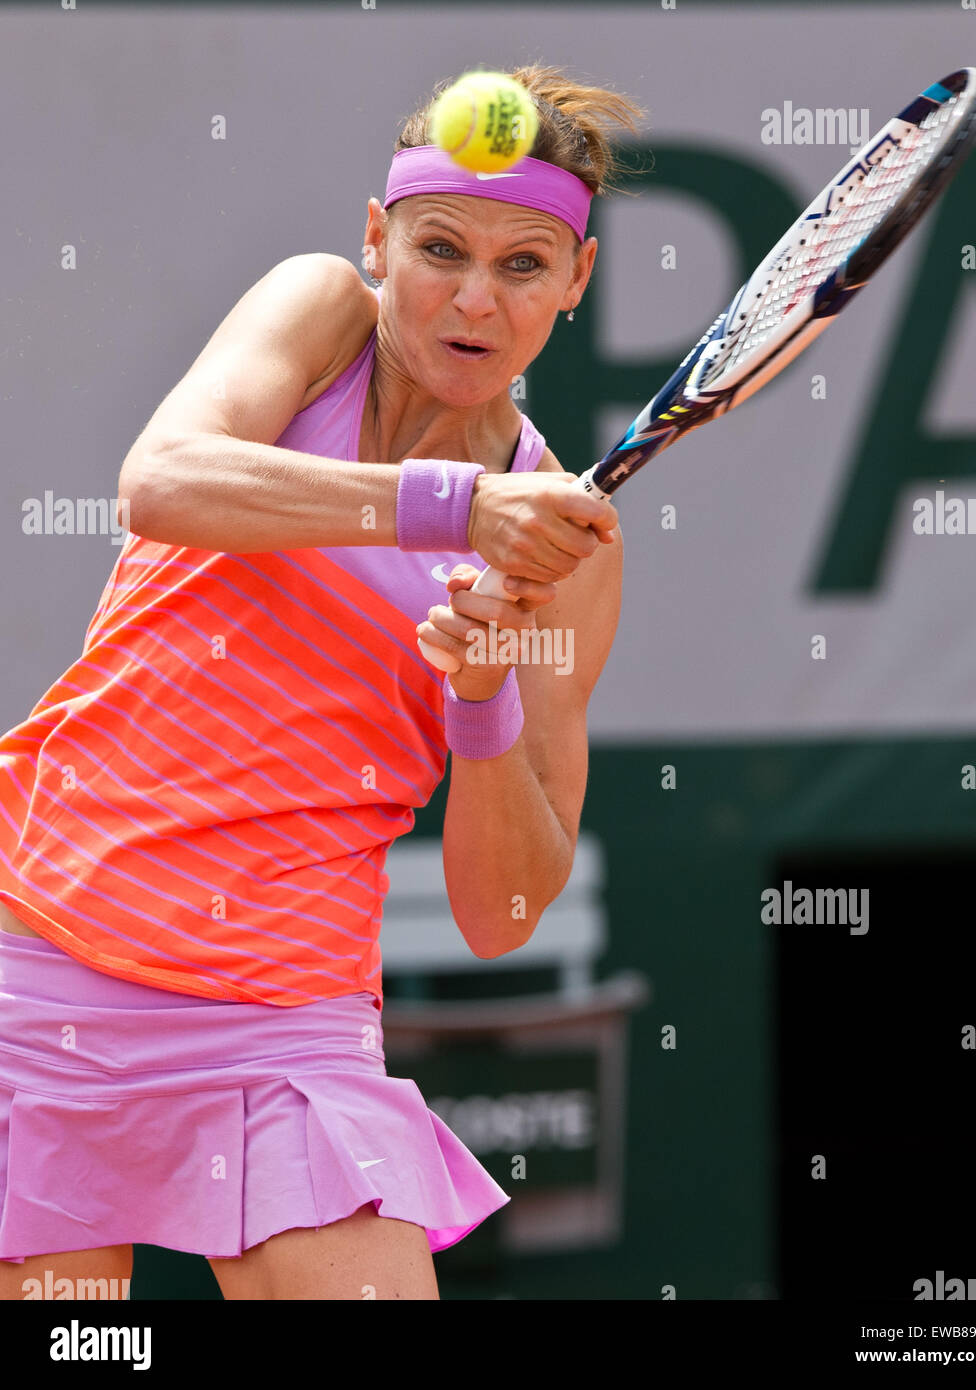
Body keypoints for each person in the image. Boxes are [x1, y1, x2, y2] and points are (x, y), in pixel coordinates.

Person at [0, 64, 644, 1300]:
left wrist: (484, 700)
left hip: (287, 1022)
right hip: (45, 959)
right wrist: (447, 508)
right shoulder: (316, 315)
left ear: (575, 282)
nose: (471, 297)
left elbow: (500, 914)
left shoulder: (569, 559)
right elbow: (165, 480)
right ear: (375, 238)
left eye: (522, 264)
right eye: (438, 247)